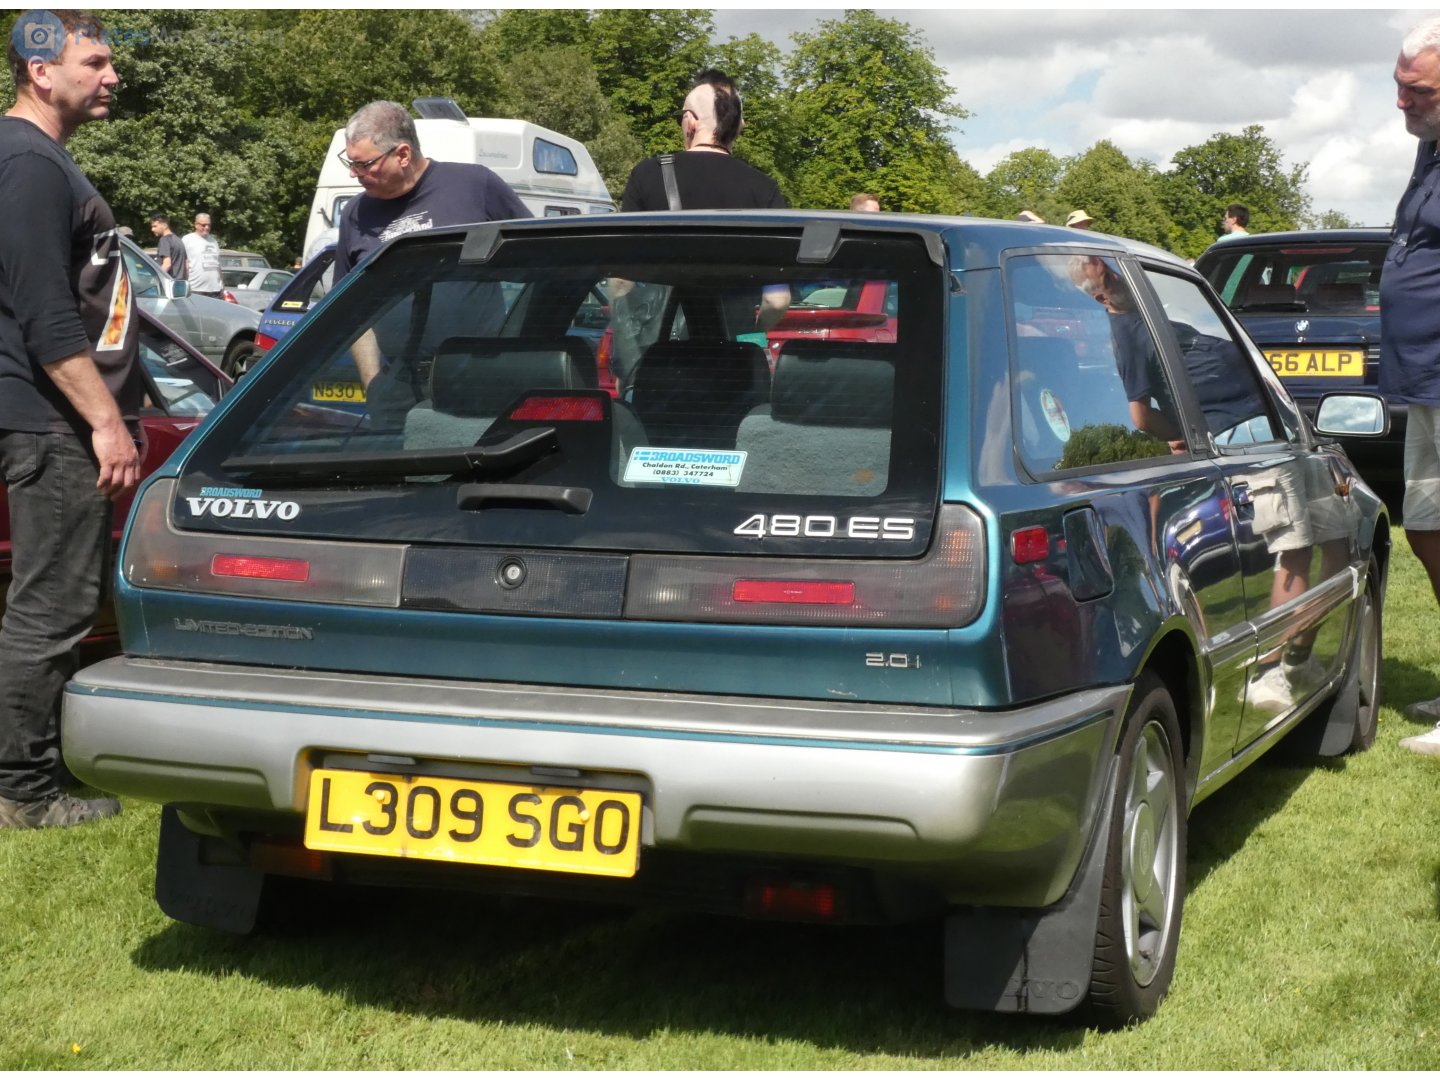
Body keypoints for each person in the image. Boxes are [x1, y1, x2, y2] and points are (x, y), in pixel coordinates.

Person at [0, 9, 142, 828]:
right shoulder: (27, 163)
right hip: (49, 420)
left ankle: (30, 771)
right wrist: (105, 422)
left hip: (50, 415)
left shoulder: (38, 161)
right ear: (40, 70)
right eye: (97, 60)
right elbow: (48, 317)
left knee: (52, 599)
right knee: (53, 605)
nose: (113, 75)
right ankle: (24, 792)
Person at [334, 100, 531, 422]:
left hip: (479, 378)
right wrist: (374, 385)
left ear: (402, 154)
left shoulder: (474, 186)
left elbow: (541, 264)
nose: (355, 175)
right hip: (397, 389)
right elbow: (352, 310)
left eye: (364, 164)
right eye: (351, 163)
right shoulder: (355, 214)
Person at [614, 70, 790, 383]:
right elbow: (777, 300)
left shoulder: (647, 175)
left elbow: (620, 284)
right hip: (732, 368)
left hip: (659, 365)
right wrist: (749, 335)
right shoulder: (764, 189)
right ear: (737, 127)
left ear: (691, 121)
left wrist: (628, 353)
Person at [1380, 16, 1440, 751]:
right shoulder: (1429, 151)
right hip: (1425, 382)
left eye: (1417, 90)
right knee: (1425, 523)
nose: (1402, 103)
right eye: (1397, 89)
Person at [182, 212, 222, 297]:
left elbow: (218, 265)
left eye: (209, 225)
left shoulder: (213, 241)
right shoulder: (187, 240)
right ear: (196, 225)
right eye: (204, 225)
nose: (207, 228)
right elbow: (183, 263)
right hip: (196, 289)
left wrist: (222, 286)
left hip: (216, 290)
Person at [149, 212, 186, 280]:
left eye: (155, 226)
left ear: (165, 225)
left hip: (169, 283)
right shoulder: (178, 240)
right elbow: (186, 265)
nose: (152, 229)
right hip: (179, 283)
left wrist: (155, 280)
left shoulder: (164, 240)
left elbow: (167, 265)